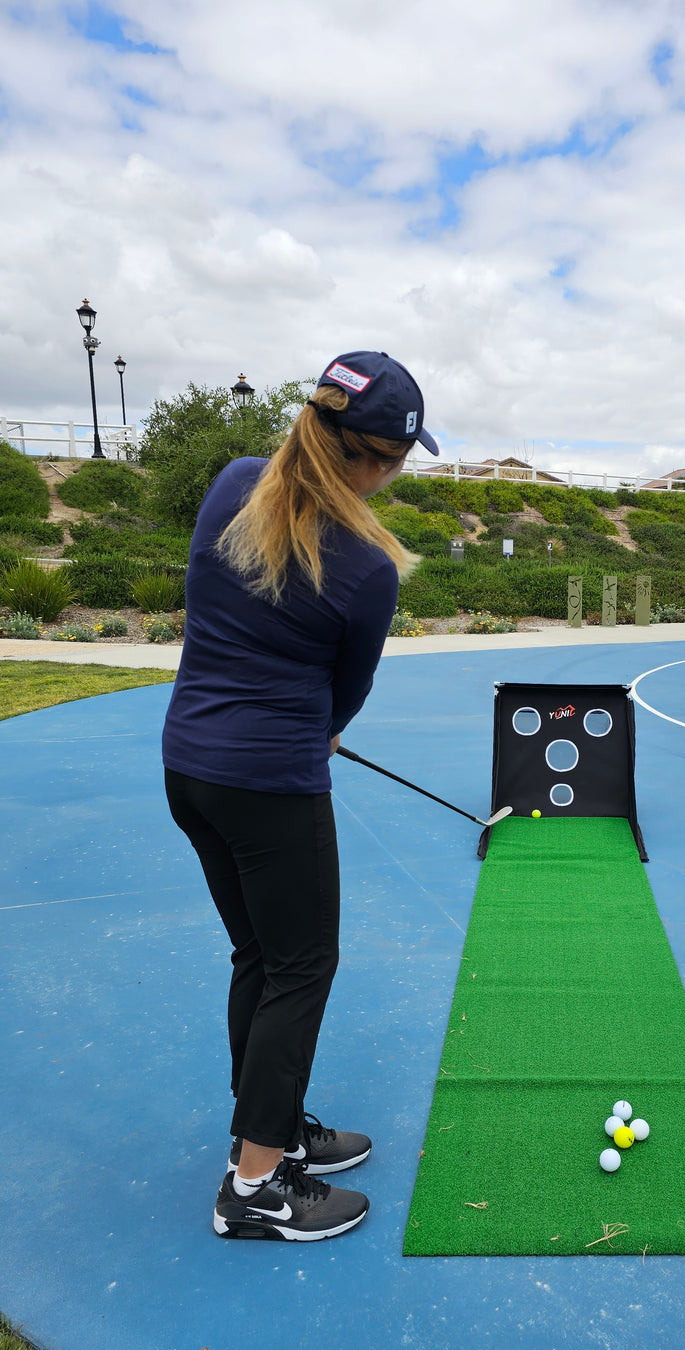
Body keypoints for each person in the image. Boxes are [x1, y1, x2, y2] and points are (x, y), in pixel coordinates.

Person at [162, 351, 438, 1241]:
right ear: (379, 459)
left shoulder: (235, 480)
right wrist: (311, 727)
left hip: (190, 770)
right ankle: (253, 1188)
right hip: (270, 786)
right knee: (301, 965)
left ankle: (272, 1135)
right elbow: (341, 697)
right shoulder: (368, 563)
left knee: (260, 955)